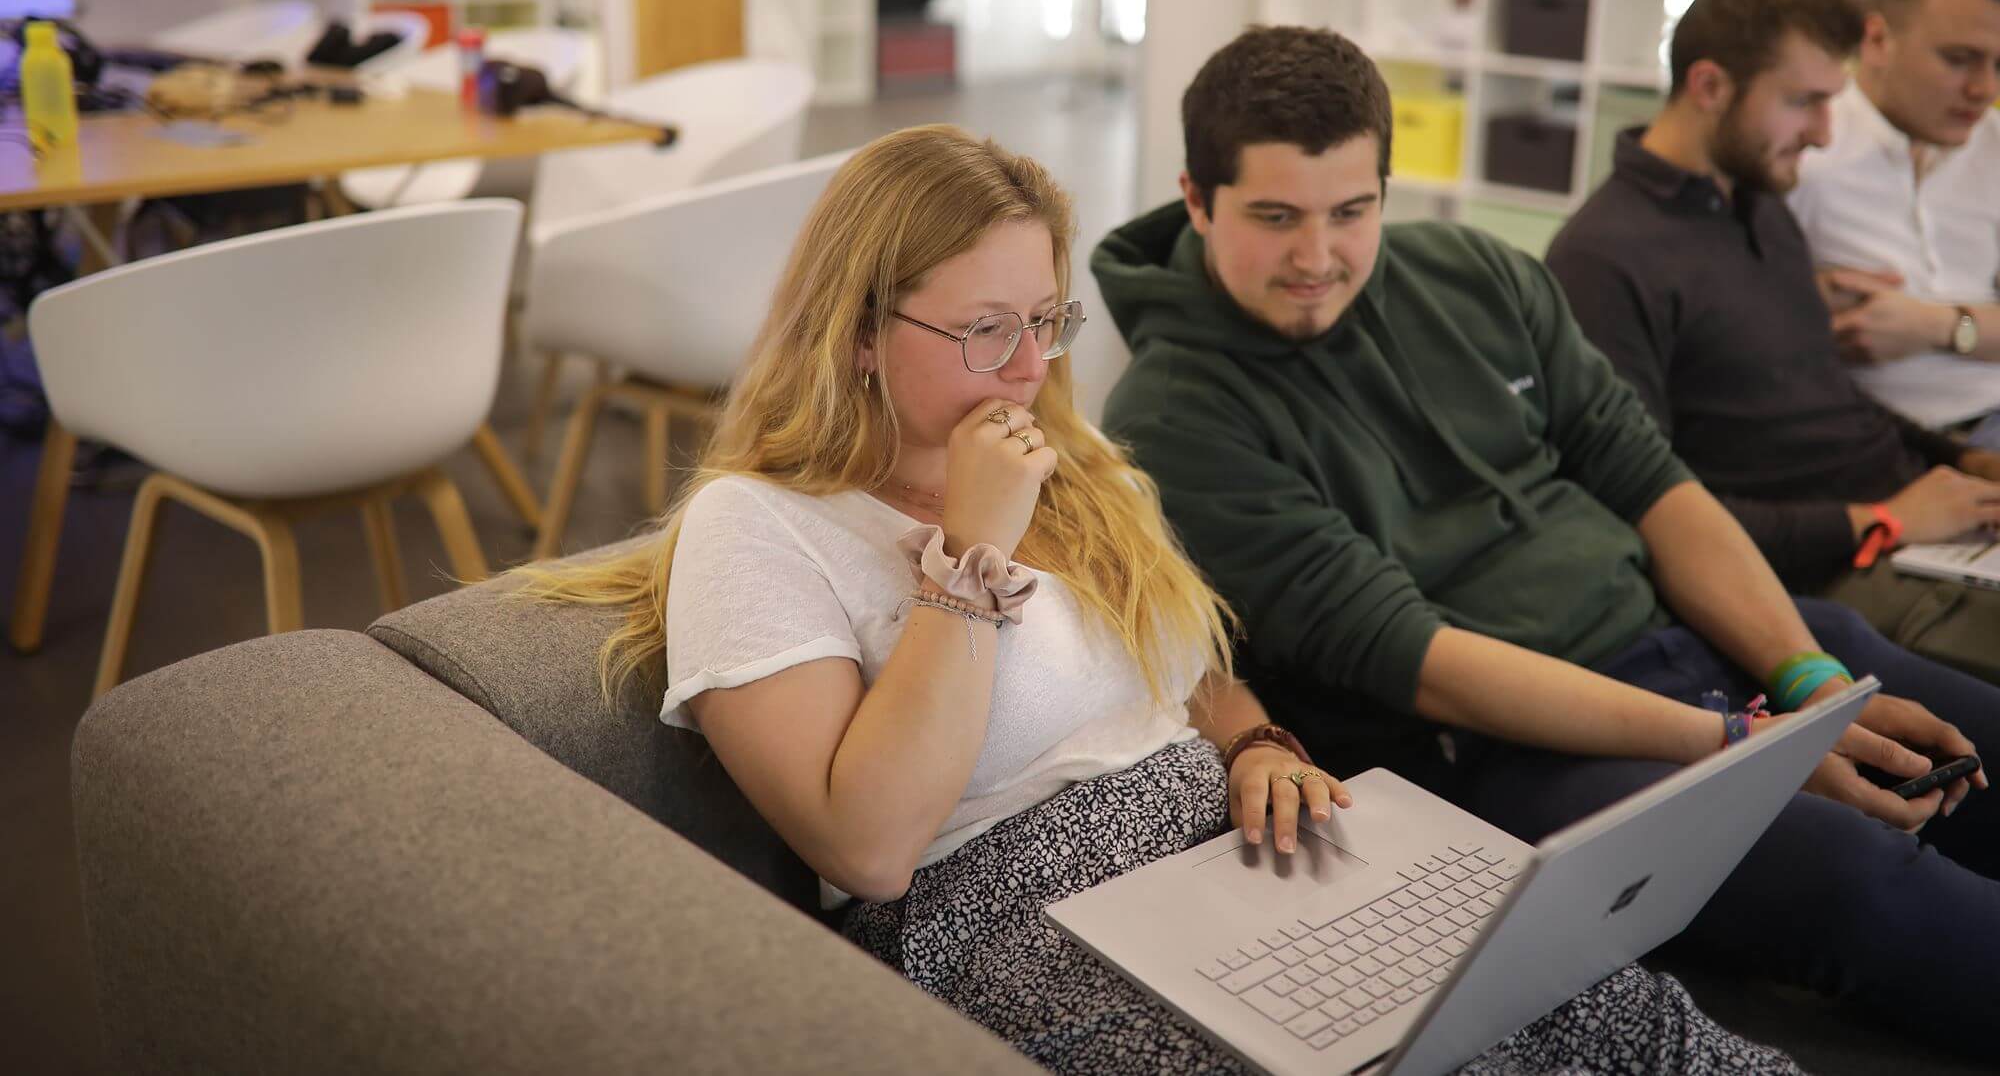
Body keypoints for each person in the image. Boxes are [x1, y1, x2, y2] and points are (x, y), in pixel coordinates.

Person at [530, 124, 1802, 1074]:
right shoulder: (757, 527)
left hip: (1221, 850)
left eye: (1045, 318)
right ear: (858, 330)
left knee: (1588, 1000)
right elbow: (865, 847)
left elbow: (1185, 668)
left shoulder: (1066, 464)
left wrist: (1253, 740)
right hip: (1005, 912)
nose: (1029, 368)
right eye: (984, 329)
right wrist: (969, 560)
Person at [1092, 26, 2000, 1054]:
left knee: (1976, 742)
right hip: (1508, 753)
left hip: (1691, 645)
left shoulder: (1470, 271)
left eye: (1352, 212)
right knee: (1864, 881)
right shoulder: (1174, 416)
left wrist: (1800, 677)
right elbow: (1413, 658)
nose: (1315, 257)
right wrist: (1740, 749)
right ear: (1195, 196)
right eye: (1273, 217)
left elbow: (1647, 479)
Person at [1546, 0, 2000, 684]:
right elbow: (1645, 513)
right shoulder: (1603, 260)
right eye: (1804, 102)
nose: (1824, 133)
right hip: (1833, 566)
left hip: (1913, 522)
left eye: (1832, 101)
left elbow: (1828, 398)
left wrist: (1966, 464)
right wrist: (1885, 517)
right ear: (1710, 86)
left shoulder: (1760, 207)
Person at [1787, 0, 2000, 443]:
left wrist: (1936, 326)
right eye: (1958, 59)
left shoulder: (1993, 146)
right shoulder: (1804, 148)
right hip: (1869, 437)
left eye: (1998, 65)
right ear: (1877, 41)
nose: (1985, 89)